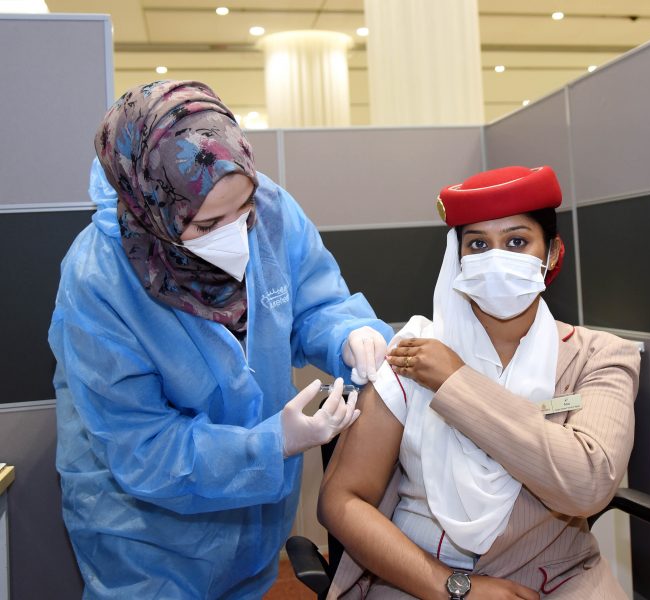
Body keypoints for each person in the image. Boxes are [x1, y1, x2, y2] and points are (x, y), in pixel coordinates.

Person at [48, 80, 392, 599]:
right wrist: (271, 443)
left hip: (253, 519)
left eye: (243, 212)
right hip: (147, 538)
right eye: (207, 224)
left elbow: (314, 303)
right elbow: (144, 447)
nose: (236, 233)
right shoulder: (99, 279)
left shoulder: (269, 208)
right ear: (153, 210)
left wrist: (348, 335)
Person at [318, 166, 640, 599]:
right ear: (458, 259)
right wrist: (457, 588)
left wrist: (456, 381)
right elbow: (342, 500)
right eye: (478, 244)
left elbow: (587, 486)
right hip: (418, 577)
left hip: (558, 577)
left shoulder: (597, 356)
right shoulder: (413, 352)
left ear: (552, 253)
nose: (496, 257)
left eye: (517, 241)